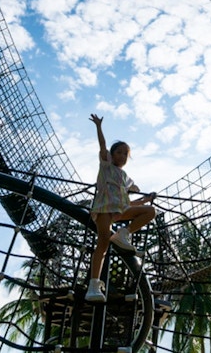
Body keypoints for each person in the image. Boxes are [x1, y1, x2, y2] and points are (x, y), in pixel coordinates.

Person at [86, 113, 156, 303]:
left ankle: (123, 232)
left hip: (119, 210)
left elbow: (127, 202)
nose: (123, 156)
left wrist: (144, 200)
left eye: (126, 154)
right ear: (112, 154)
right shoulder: (107, 165)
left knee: (150, 211)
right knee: (103, 244)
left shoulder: (124, 177)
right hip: (103, 209)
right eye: (119, 152)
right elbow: (102, 146)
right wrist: (99, 127)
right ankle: (93, 285)